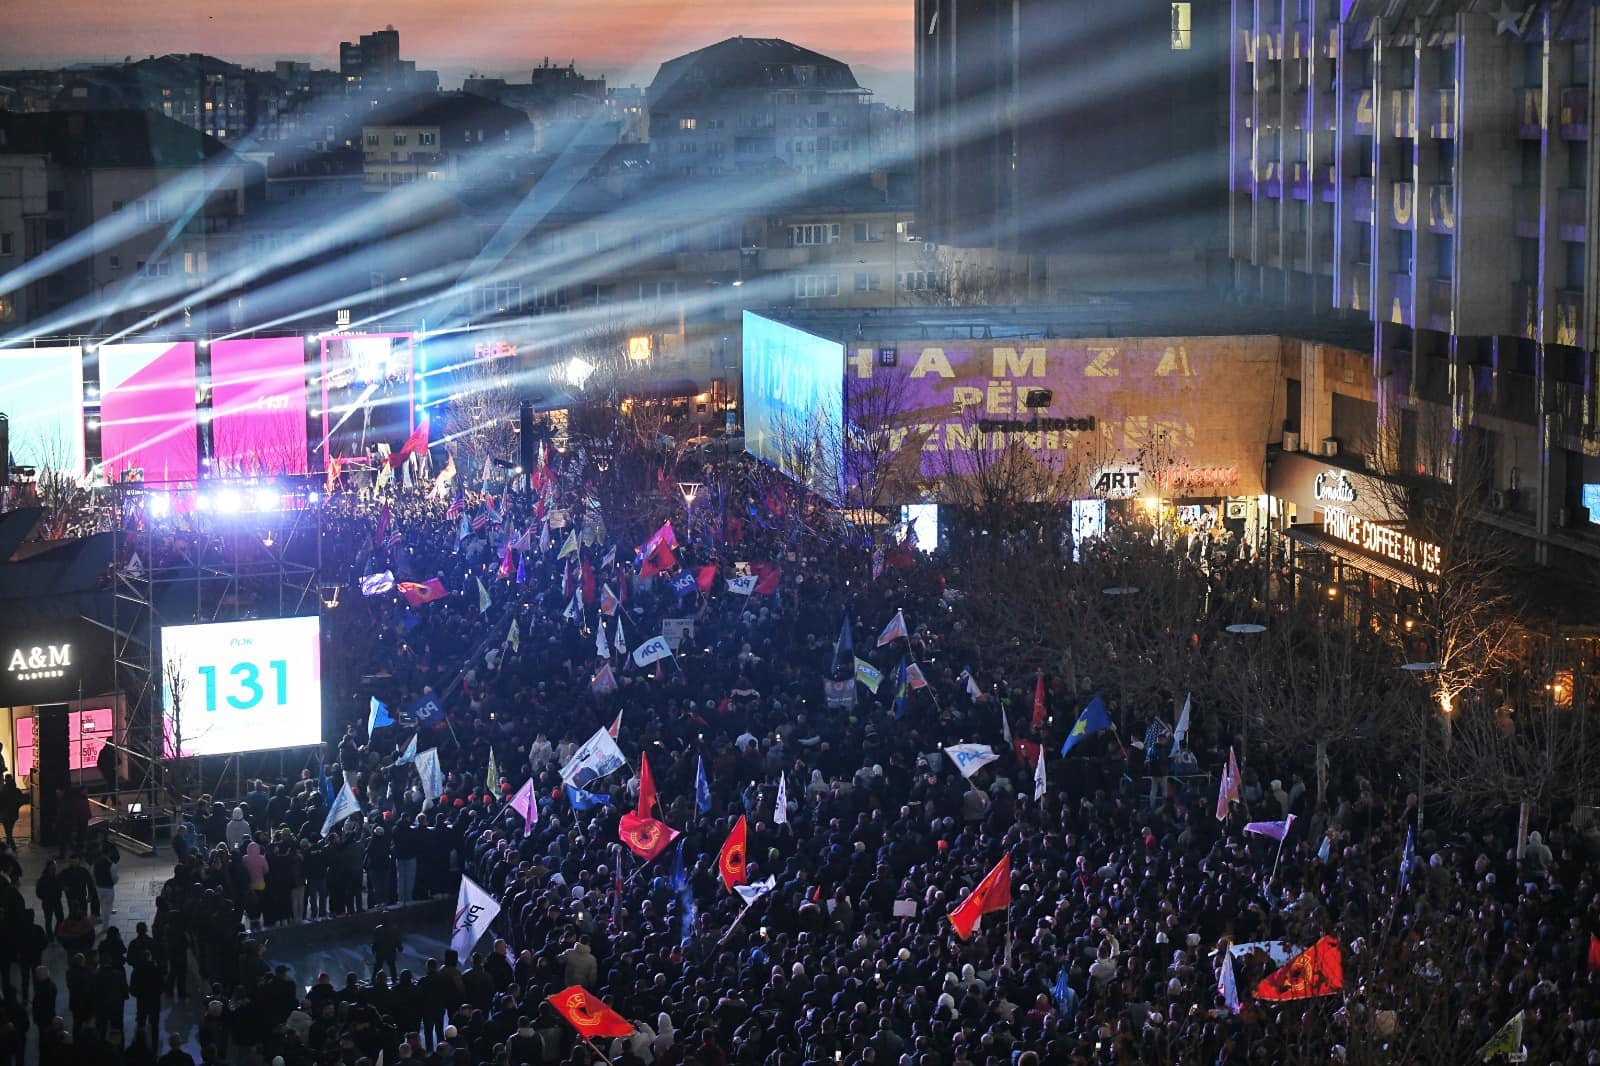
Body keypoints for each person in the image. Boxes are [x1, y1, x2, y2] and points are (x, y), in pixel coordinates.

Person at [0, 774, 24, 849]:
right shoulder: (16, 790)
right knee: (9, 829)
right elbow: (22, 800)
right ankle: (10, 843)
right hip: (13, 813)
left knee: (8, 830)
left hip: (5, 814)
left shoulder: (3, 790)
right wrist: (16, 807)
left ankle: (11, 844)